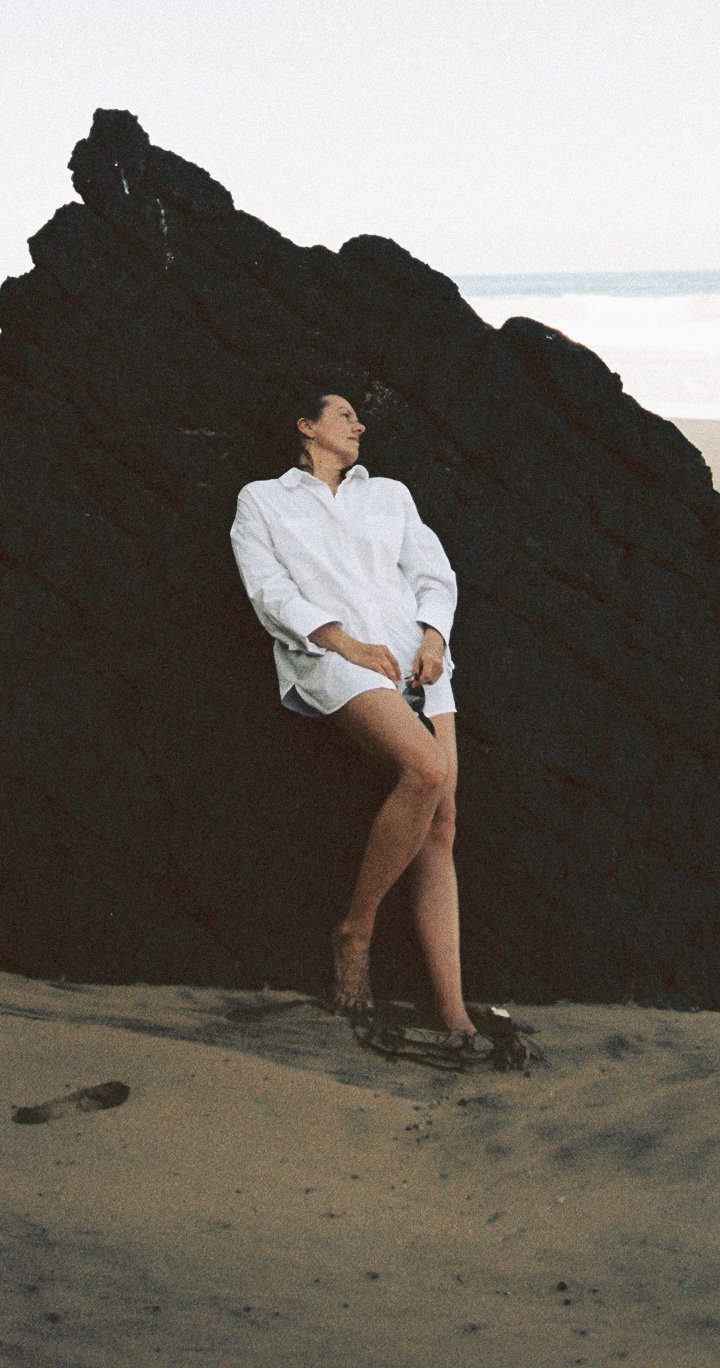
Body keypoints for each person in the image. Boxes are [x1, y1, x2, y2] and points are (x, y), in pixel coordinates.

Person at [229, 388, 477, 1039]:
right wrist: (339, 640)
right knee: (423, 769)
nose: (358, 424)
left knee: (443, 823)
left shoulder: (388, 493)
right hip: (333, 655)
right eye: (343, 415)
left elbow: (431, 569)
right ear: (306, 424)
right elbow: (268, 588)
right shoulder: (263, 500)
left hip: (418, 656)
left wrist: (433, 636)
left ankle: (453, 1011)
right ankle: (355, 930)